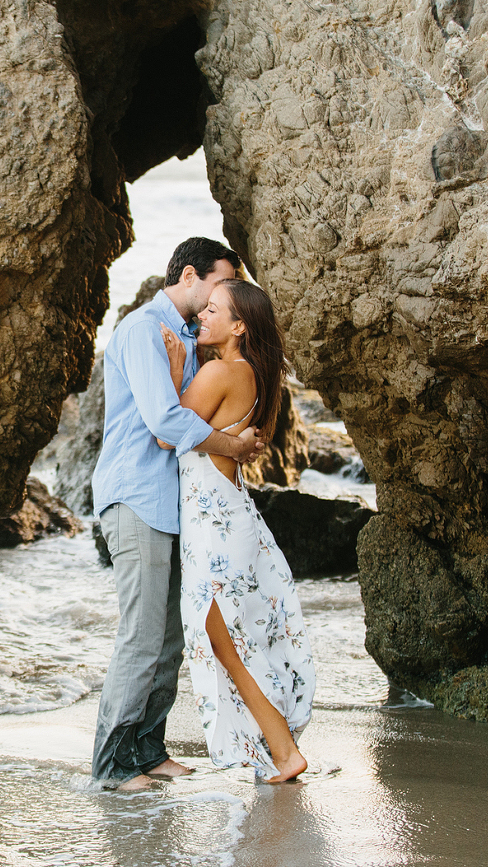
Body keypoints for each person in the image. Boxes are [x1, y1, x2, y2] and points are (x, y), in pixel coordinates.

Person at [91, 238, 265, 791]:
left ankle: (147, 749)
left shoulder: (192, 340)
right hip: (136, 497)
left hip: (173, 506)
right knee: (141, 637)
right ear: (191, 276)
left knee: (168, 638)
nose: (225, 296)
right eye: (220, 284)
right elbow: (166, 422)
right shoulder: (145, 329)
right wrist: (233, 447)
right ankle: (111, 767)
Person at [160, 278, 315, 782]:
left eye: (213, 310)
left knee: (223, 639)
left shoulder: (221, 373)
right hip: (228, 516)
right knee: (232, 638)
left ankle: (283, 748)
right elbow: (216, 437)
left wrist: (178, 372)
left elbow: (169, 436)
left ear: (239, 325)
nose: (202, 315)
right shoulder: (248, 374)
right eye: (203, 308)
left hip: (215, 523)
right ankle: (278, 746)